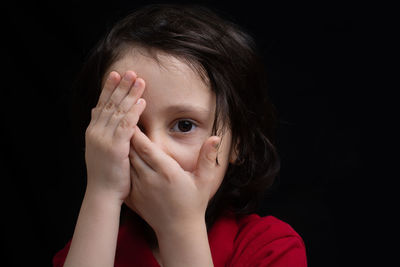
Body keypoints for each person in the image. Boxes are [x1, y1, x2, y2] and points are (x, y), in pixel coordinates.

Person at [53, 3, 307, 267]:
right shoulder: (90, 248)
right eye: (132, 127)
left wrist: (179, 227)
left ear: (238, 144)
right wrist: (102, 191)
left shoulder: (270, 248)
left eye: (184, 125)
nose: (155, 148)